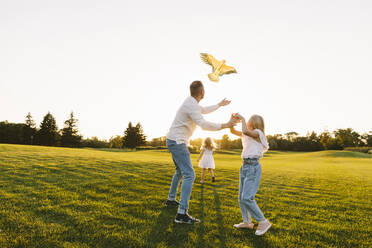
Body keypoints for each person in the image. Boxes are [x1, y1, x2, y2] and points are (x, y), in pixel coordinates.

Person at [165, 80, 237, 224]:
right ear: (202, 92)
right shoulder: (191, 105)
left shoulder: (192, 103)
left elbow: (204, 110)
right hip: (178, 142)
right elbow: (203, 124)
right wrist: (226, 125)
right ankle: (181, 214)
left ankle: (171, 200)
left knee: (179, 172)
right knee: (189, 174)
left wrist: (219, 104)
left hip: (173, 140)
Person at [230, 113, 272, 235]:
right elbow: (233, 131)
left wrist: (242, 119)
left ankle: (263, 221)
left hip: (253, 167)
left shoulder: (258, 133)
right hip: (244, 166)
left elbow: (245, 131)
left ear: (254, 123)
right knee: (241, 198)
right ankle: (247, 222)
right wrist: (231, 120)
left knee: (247, 197)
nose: (247, 120)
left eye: (249, 119)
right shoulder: (247, 133)